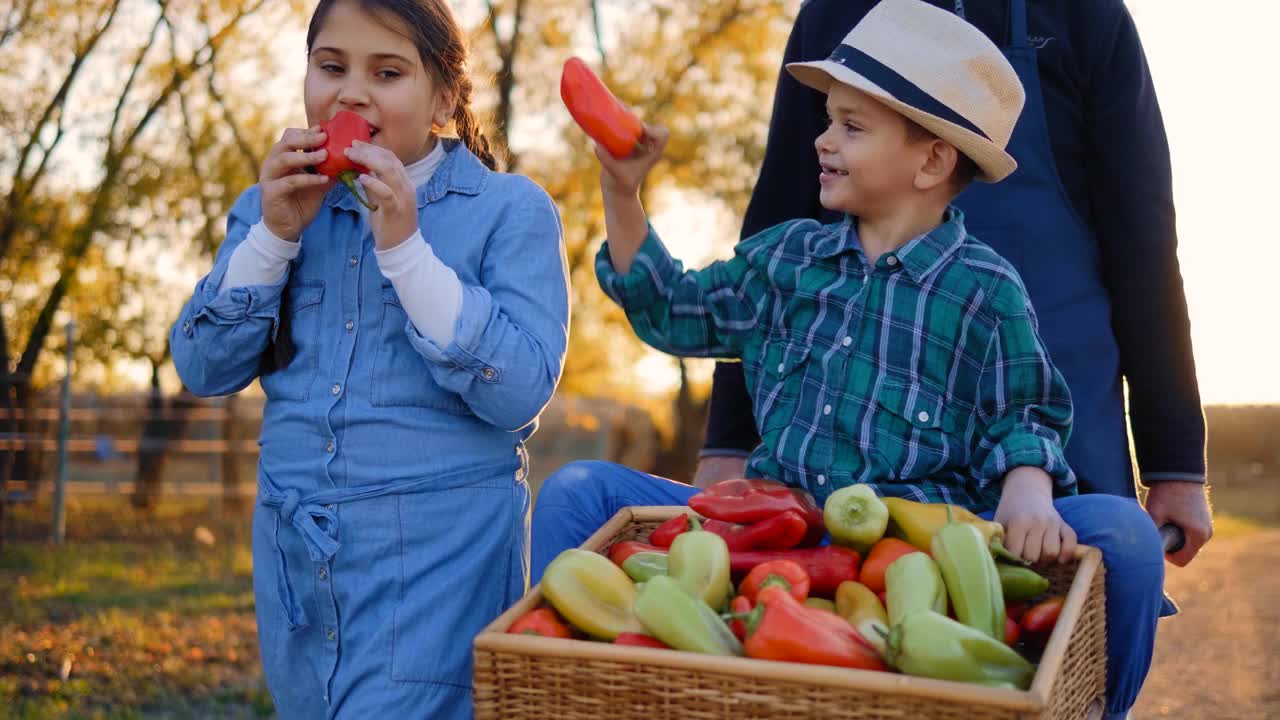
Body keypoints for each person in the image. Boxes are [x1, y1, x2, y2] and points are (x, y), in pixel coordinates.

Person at [533, 2, 1162, 717]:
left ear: (931, 159)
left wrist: (1026, 485)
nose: (823, 142)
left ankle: (1082, 710)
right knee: (577, 492)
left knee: (1126, 537)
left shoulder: (985, 289)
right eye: (828, 119)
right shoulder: (789, 259)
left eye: (851, 127)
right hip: (772, 530)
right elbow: (672, 309)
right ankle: (579, 692)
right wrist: (622, 188)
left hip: (914, 554)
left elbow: (1023, 410)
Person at [697, 0, 1214, 570]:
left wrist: (1174, 460)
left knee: (1081, 622)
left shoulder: (1085, 16)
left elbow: (1143, 240)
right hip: (852, 442)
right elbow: (774, 226)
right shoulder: (833, 14)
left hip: (1053, 426)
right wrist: (730, 440)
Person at [170, 0, 569, 716]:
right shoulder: (273, 204)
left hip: (436, 561)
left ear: (444, 95)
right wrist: (274, 236)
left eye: (387, 72)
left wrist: (408, 252)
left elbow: (518, 390)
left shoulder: (509, 210)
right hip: (297, 560)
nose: (351, 93)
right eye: (331, 67)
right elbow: (202, 367)